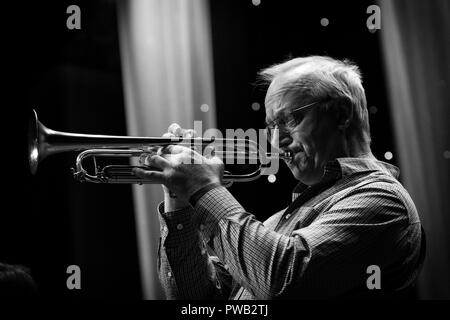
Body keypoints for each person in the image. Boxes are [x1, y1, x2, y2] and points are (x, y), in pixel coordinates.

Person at [134, 56, 425, 299]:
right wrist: (179, 197)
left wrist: (204, 187)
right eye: (271, 127)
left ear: (341, 114)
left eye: (289, 120)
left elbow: (281, 281)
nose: (276, 141)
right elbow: (196, 301)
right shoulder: (278, 223)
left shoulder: (382, 200)